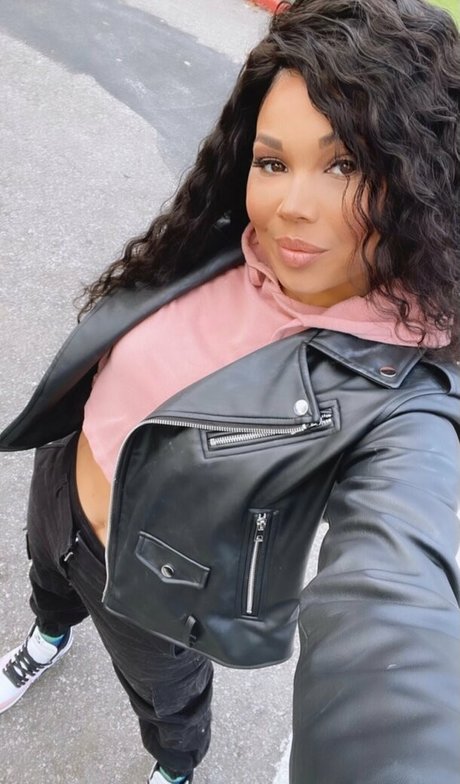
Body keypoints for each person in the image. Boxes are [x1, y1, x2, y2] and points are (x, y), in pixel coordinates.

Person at [1, 0, 460, 781]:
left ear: (419, 180)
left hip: (154, 586)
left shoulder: (403, 394)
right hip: (63, 488)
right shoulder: (218, 240)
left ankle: (176, 768)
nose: (291, 206)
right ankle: (47, 637)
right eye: (273, 162)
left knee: (168, 706)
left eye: (345, 165)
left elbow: (395, 601)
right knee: (48, 587)